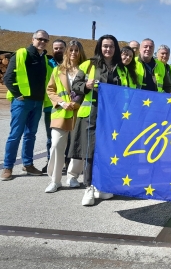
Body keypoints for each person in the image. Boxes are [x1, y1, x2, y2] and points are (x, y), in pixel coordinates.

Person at [69, 34, 129, 206]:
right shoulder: (89, 64)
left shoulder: (121, 68)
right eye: (105, 46)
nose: (108, 49)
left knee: (106, 151)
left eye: (111, 46)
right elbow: (75, 85)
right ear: (99, 47)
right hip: (91, 113)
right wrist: (85, 86)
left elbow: (127, 91)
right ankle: (88, 187)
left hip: (112, 115)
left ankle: (101, 186)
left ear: (115, 48)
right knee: (90, 151)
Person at [1, 30, 51, 181]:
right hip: (22, 102)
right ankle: (7, 166)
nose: (42, 42)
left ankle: (28, 164)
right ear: (33, 39)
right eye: (40, 39)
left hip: (38, 102)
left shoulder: (44, 58)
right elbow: (8, 78)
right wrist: (18, 95)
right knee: (15, 134)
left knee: (30, 135)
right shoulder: (21, 54)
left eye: (45, 40)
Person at [45, 40, 87, 193]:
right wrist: (62, 103)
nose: (74, 53)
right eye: (71, 50)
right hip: (61, 113)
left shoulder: (86, 70)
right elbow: (50, 90)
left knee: (78, 146)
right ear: (66, 52)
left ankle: (73, 176)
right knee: (56, 145)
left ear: (81, 52)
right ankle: (55, 180)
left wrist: (77, 104)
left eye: (77, 50)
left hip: (80, 112)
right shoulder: (57, 70)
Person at [42, 39, 67, 173]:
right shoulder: (47, 63)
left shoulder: (71, 65)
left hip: (69, 107)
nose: (58, 50)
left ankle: (67, 162)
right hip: (50, 106)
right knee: (51, 137)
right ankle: (49, 161)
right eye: (56, 48)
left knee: (69, 136)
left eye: (61, 48)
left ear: (65, 49)